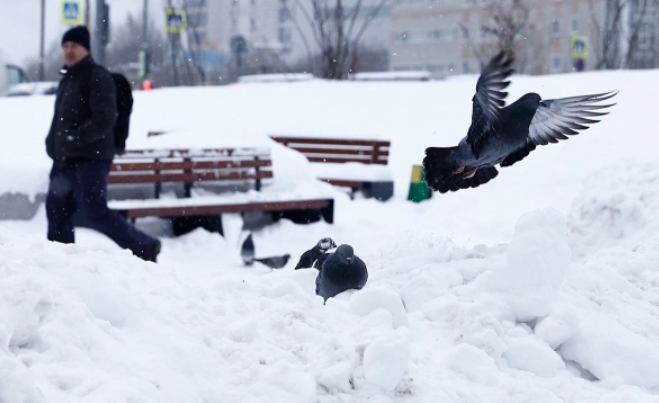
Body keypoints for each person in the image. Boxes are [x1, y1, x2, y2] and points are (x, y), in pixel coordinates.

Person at [45, 26, 161, 262]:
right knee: (56, 210)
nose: (69, 51)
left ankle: (145, 247)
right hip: (65, 158)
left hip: (91, 158)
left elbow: (104, 119)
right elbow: (60, 118)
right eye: (66, 46)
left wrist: (73, 140)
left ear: (85, 48)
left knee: (95, 212)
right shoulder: (68, 78)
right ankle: (59, 260)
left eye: (74, 46)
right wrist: (52, 142)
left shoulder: (97, 76)